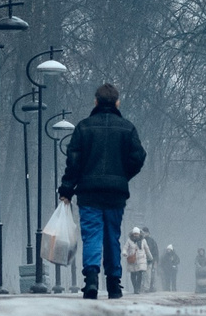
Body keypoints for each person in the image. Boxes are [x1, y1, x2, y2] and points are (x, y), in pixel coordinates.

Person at [58, 84, 147, 299]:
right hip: (115, 194)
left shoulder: (83, 127)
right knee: (112, 236)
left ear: (96, 102)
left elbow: (74, 162)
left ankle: (90, 280)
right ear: (117, 103)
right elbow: (138, 157)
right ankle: (114, 283)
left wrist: (67, 190)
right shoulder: (127, 128)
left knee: (92, 236)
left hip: (89, 192)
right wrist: (122, 176)